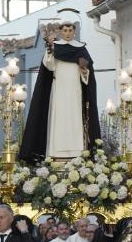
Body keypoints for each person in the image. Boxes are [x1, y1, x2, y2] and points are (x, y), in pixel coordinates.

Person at [19, 22, 101, 163]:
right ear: (61, 32)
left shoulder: (81, 49)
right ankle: (56, 152)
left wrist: (84, 70)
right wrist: (50, 50)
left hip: (75, 91)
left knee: (75, 118)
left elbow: (87, 76)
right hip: (59, 90)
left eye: (70, 30)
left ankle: (77, 151)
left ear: (74, 32)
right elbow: (49, 66)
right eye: (65, 30)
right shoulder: (55, 47)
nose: (68, 33)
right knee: (59, 118)